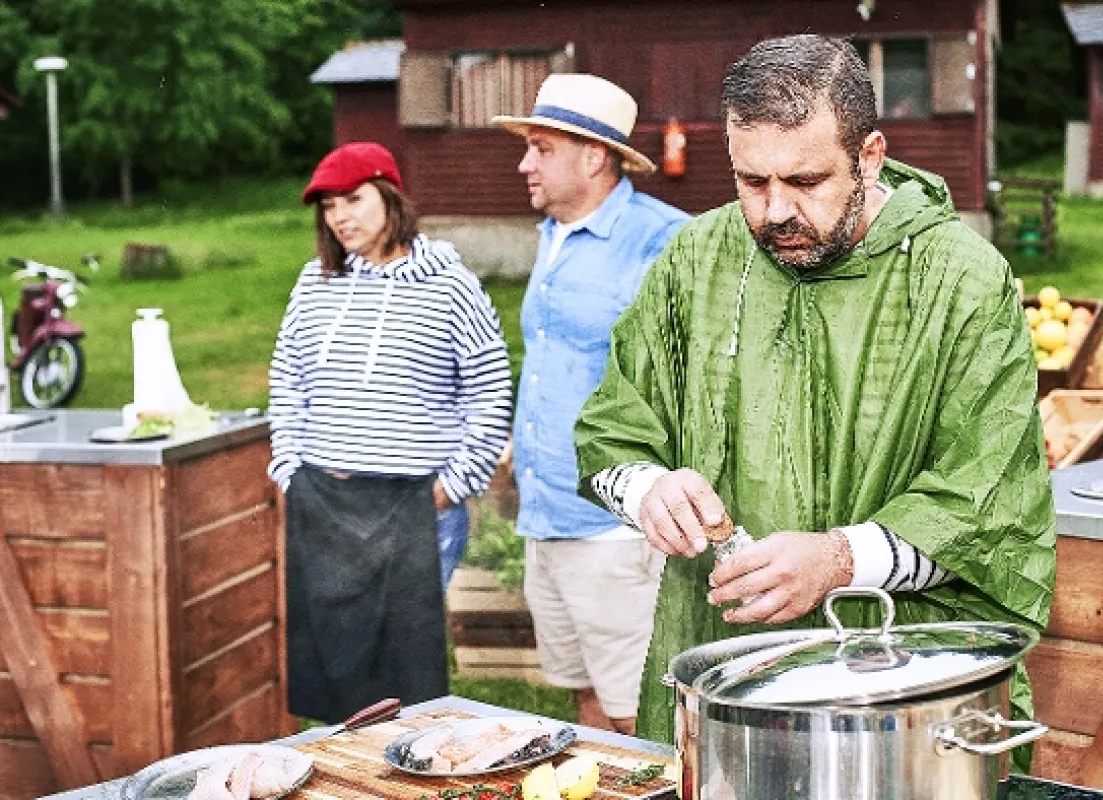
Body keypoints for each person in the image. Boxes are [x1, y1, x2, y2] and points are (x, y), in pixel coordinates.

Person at [574, 34, 1056, 767]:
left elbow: (988, 509)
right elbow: (614, 428)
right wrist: (647, 489)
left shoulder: (961, 282)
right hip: (720, 673)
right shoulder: (698, 259)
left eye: (805, 180)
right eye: (750, 182)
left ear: (869, 156)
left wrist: (837, 559)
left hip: (901, 697)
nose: (774, 213)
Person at [267, 141, 511, 722]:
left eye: (353, 199)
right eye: (328, 206)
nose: (340, 216)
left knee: (405, 679)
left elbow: (490, 385)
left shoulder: (449, 285)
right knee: (335, 665)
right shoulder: (315, 282)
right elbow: (287, 378)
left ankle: (404, 774)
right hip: (325, 503)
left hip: (414, 505)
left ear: (390, 196)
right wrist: (288, 470)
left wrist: (452, 486)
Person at [491, 74, 690, 734]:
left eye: (541, 149)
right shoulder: (554, 233)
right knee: (583, 706)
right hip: (546, 518)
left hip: (613, 527)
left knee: (639, 717)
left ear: (593, 156)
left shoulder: (662, 243)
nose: (524, 163)